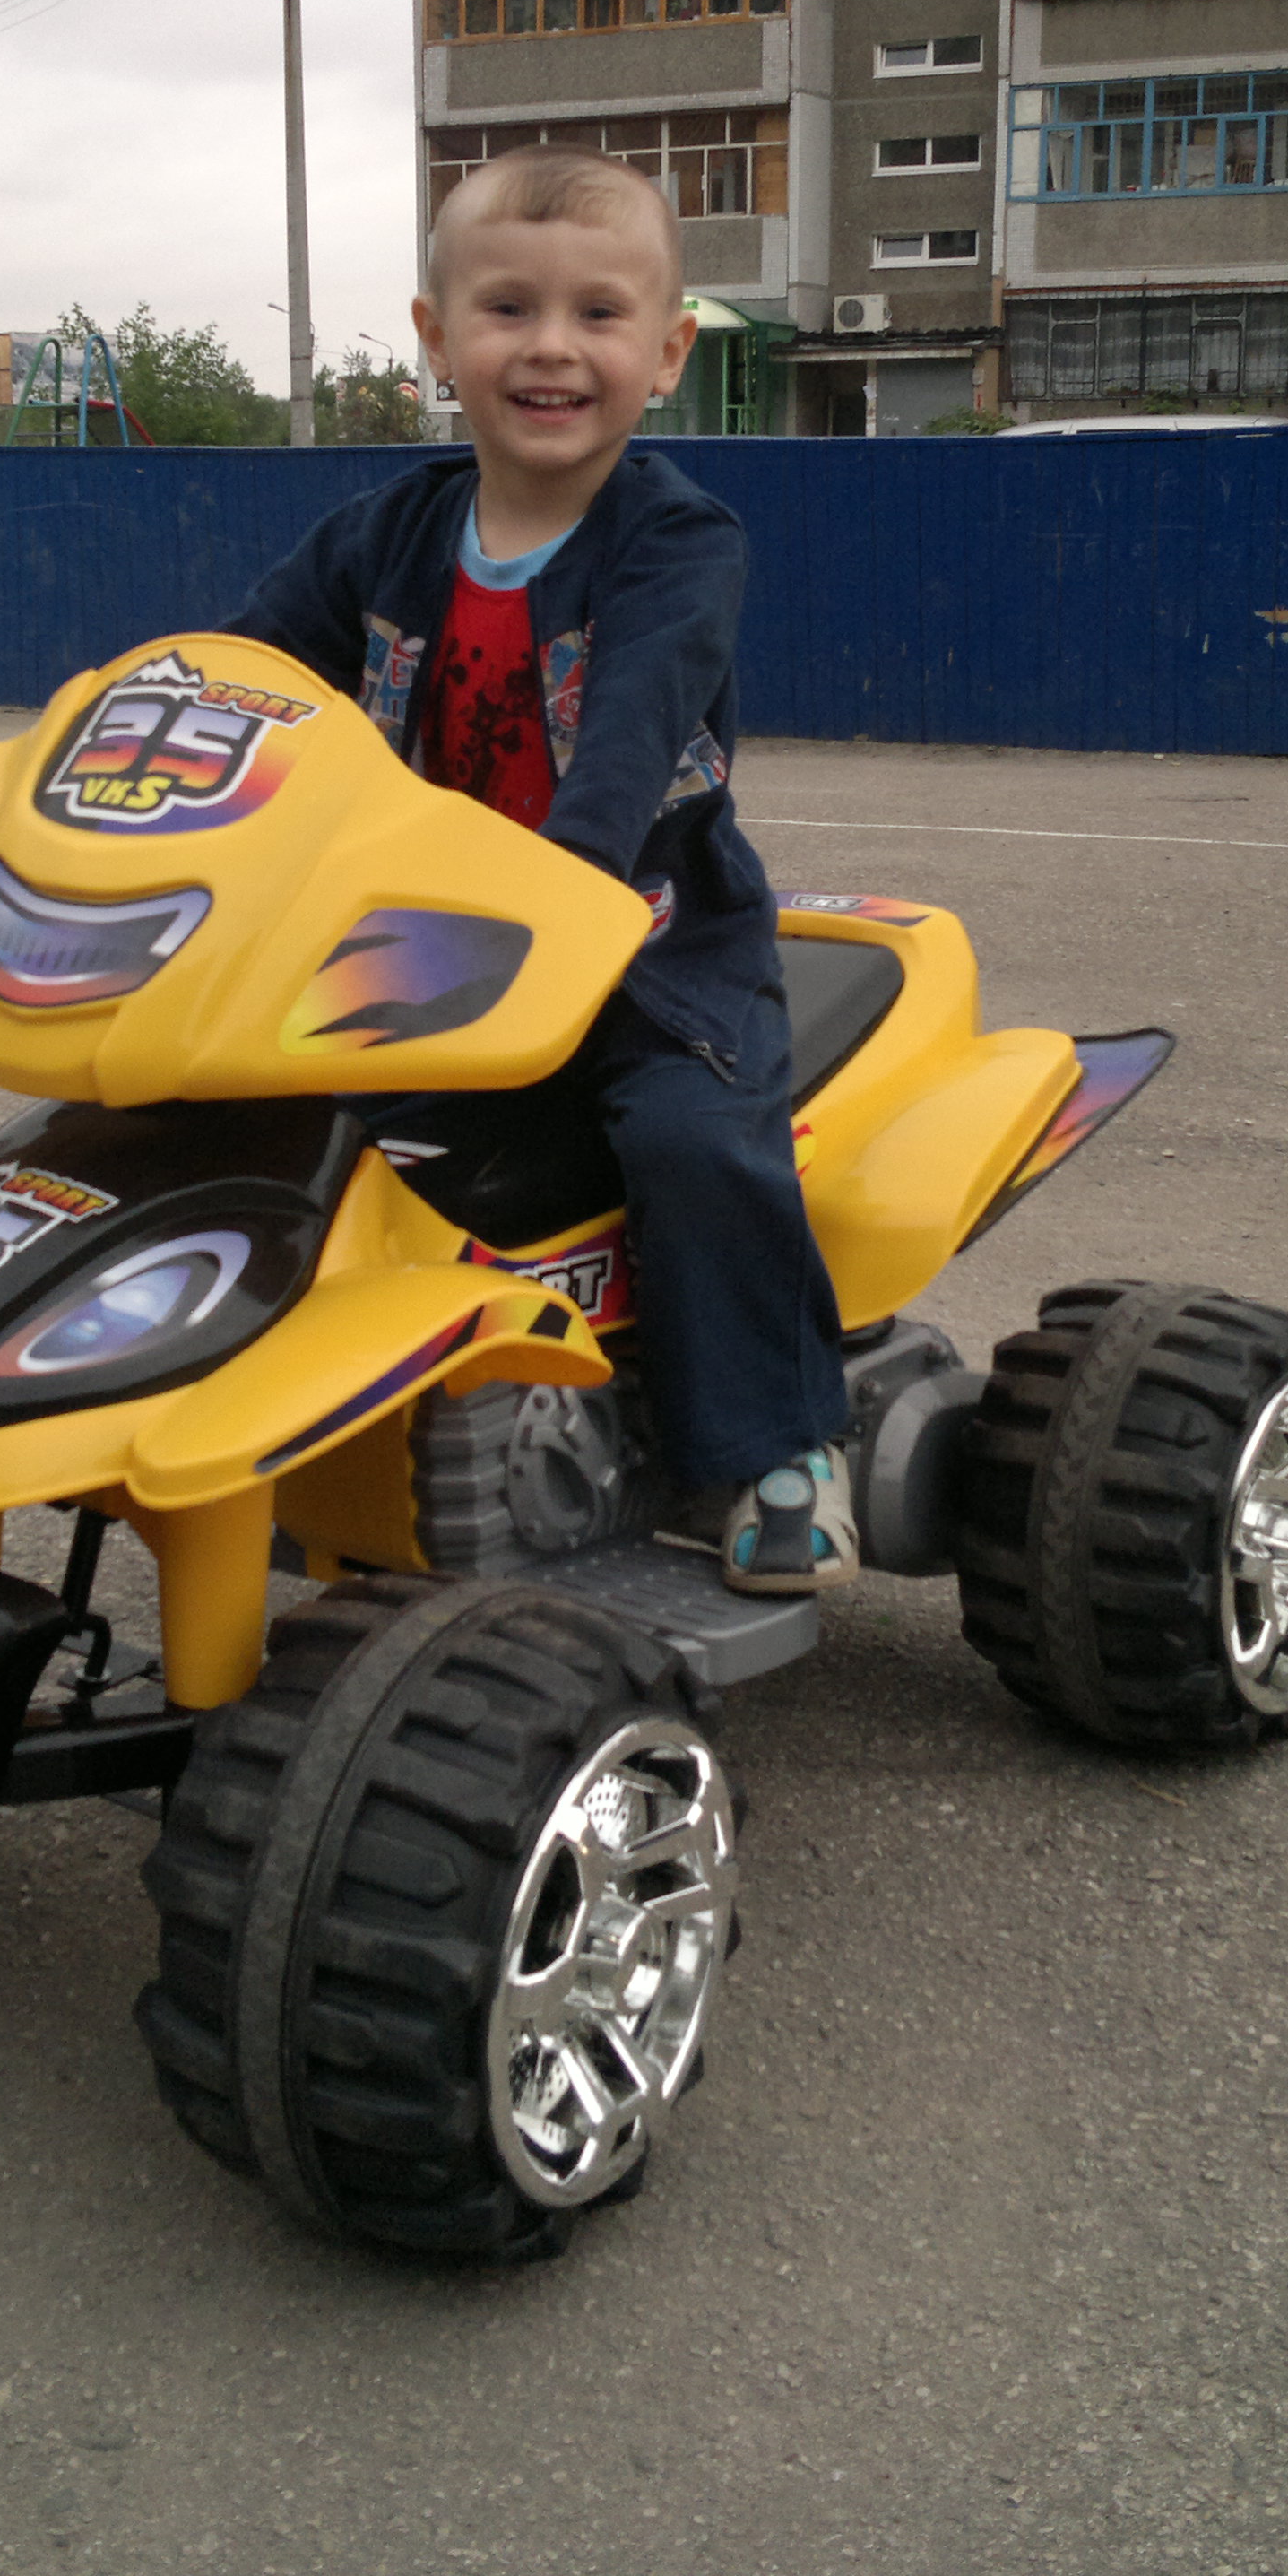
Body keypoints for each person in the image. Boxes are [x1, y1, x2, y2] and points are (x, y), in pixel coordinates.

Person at [229, 144, 853, 1593]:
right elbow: (244, 674)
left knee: (694, 1142)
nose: (552, 347)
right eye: (508, 308)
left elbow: (631, 734)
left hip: (649, 953)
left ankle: (777, 1444)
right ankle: (291, 1409)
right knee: (254, 1122)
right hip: (427, 953)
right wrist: (123, 749)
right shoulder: (380, 538)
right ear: (437, 337)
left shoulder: (675, 540)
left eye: (598, 313)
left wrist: (563, 879)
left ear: (668, 353)